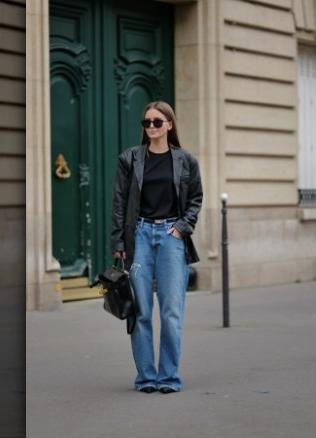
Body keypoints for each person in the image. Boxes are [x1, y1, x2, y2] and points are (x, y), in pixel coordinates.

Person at [111, 100, 203, 394]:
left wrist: (181, 228)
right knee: (140, 311)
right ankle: (146, 377)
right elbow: (119, 204)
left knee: (171, 312)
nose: (151, 127)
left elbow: (196, 199)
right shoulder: (130, 159)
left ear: (170, 125)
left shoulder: (185, 160)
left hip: (171, 237)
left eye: (157, 122)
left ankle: (168, 377)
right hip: (139, 236)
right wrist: (118, 241)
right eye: (147, 122)